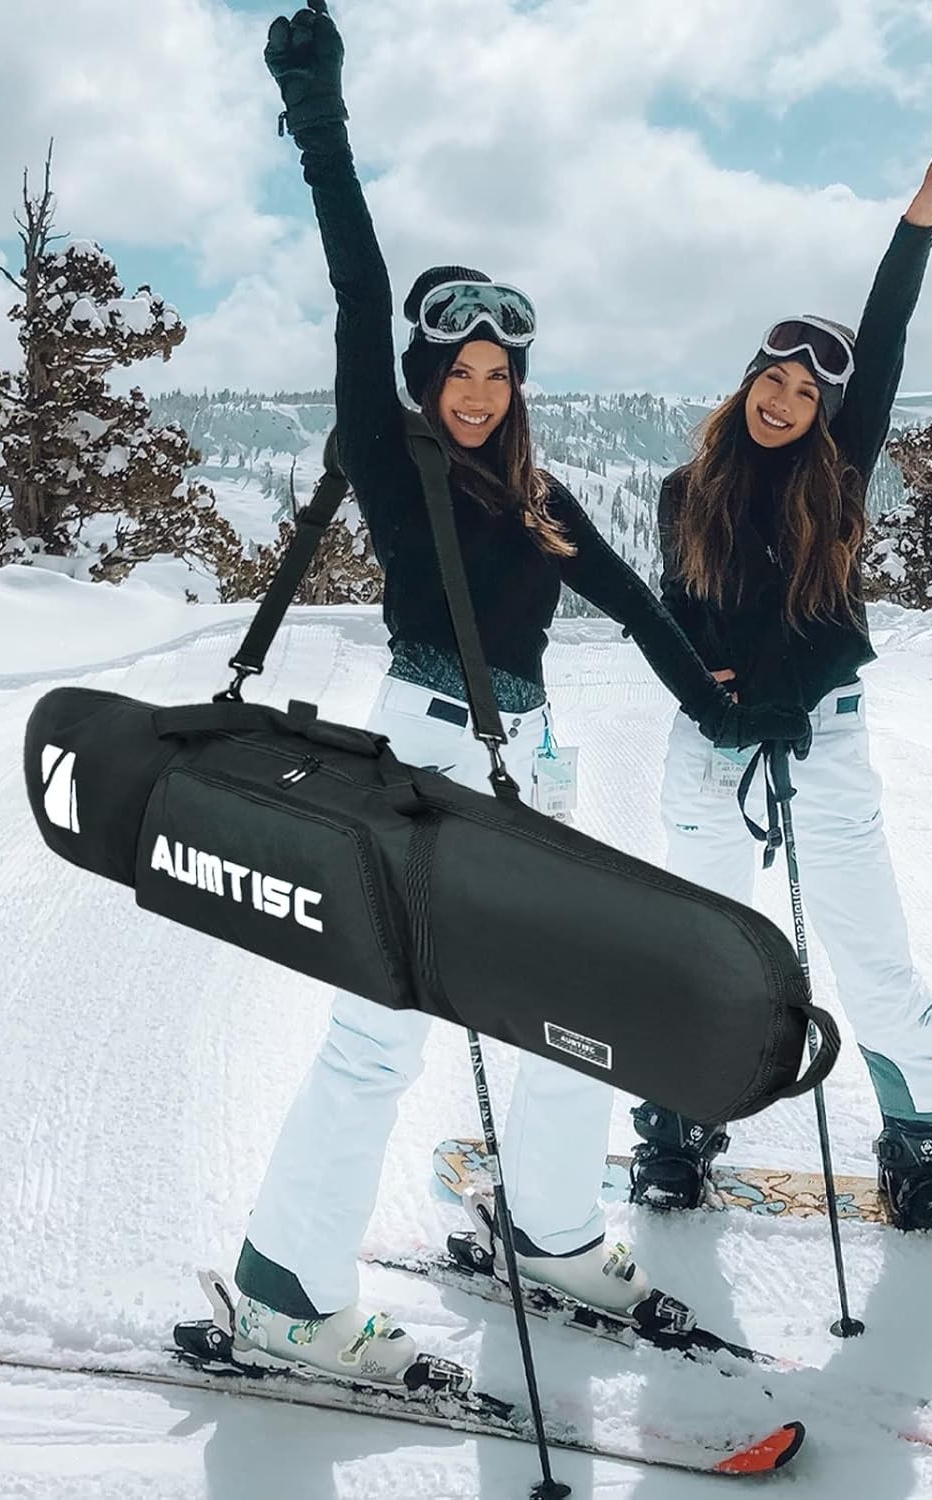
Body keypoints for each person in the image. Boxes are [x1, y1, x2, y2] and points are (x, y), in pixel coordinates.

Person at [236, 1, 798, 1386]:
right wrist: (321, 125)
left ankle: (548, 1236)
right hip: (424, 757)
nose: (479, 391)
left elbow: (638, 609)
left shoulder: (534, 496)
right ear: (426, 376)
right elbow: (360, 290)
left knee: (565, 1010)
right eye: (459, 371)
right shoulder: (394, 459)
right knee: (379, 1036)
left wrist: (725, 709)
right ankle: (281, 1293)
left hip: (528, 764)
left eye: (498, 373)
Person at [630, 101, 932, 1234]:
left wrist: (922, 213)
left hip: (824, 736)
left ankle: (922, 1140)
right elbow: (676, 620)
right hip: (713, 748)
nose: (784, 404)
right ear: (747, 385)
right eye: (772, 383)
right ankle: (678, 1121)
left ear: (830, 411)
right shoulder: (687, 494)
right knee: (697, 947)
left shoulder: (841, 476)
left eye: (807, 394)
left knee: (870, 953)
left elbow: (885, 335)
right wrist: (714, 692)